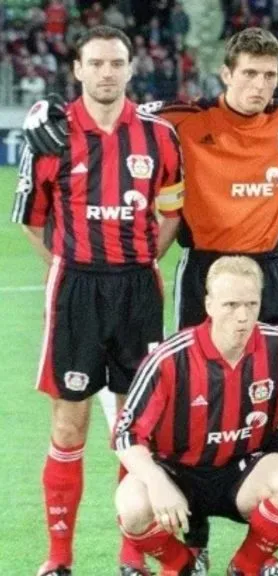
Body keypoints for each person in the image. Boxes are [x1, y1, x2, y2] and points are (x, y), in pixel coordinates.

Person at [21, 25, 278, 569]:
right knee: (183, 406)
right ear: (225, 74)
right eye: (247, 73)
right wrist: (46, 106)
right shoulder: (183, 118)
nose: (259, 85)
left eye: (269, 75)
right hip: (205, 273)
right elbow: (112, 98)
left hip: (268, 272)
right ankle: (186, 542)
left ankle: (274, 545)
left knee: (271, 404)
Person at [13, 25, 183, 576]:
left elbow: (173, 211)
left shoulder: (159, 136)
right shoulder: (51, 136)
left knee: (137, 428)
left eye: (117, 63)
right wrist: (72, 263)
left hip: (138, 291)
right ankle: (59, 560)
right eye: (97, 63)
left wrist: (138, 259)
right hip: (75, 293)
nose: (107, 72)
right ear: (78, 70)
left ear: (131, 68)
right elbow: (32, 222)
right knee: (69, 426)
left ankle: (132, 557)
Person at [113, 256, 278, 575]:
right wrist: (156, 481)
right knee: (133, 505)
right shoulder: (169, 359)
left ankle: (245, 566)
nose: (243, 316)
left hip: (243, 472)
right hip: (177, 472)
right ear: (209, 304)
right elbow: (126, 435)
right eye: (230, 305)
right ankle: (182, 564)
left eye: (251, 304)